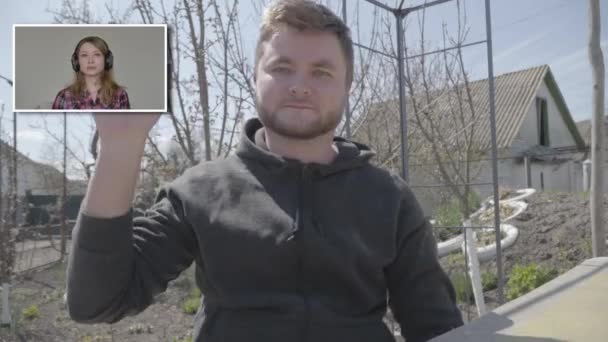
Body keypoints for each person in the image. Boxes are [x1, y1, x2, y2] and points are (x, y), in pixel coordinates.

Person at [66, 1, 463, 341]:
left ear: (348, 86)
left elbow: (436, 326)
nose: (300, 86)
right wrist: (119, 148)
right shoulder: (200, 191)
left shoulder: (389, 198)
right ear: (254, 77)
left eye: (321, 72)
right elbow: (97, 301)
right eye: (282, 67)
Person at [52, 36, 130, 110]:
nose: (90, 61)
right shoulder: (64, 96)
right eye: (84, 55)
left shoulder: (120, 95)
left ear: (107, 60)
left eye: (97, 54)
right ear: (76, 62)